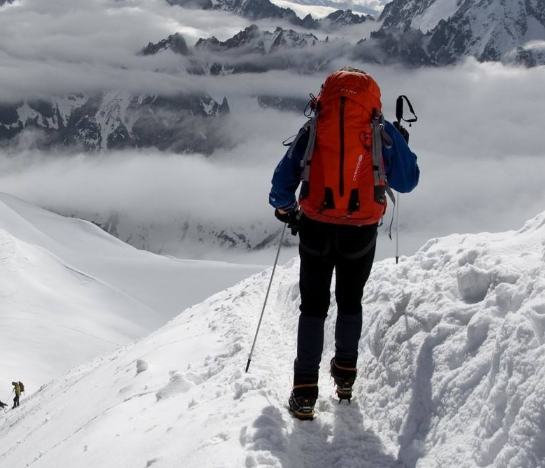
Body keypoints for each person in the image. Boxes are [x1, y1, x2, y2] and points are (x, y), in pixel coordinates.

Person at [269, 67, 420, 420]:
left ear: (326, 98)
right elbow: (408, 180)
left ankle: (305, 390)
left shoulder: (314, 128)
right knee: (350, 302)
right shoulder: (380, 129)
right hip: (361, 229)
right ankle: (346, 378)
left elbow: (283, 180)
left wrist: (287, 210)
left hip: (316, 227)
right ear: (372, 102)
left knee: (313, 307)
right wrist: (399, 142)